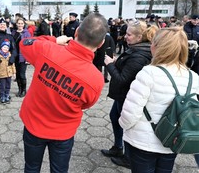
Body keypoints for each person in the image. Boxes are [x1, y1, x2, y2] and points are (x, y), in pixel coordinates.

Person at [19, 13, 108, 172]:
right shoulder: (96, 79)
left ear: (76, 32)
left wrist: (54, 40)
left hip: (33, 124)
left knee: (31, 167)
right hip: (63, 133)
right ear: (101, 43)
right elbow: (86, 104)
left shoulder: (47, 49)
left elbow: (25, 43)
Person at [119, 27, 199, 173]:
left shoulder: (149, 73)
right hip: (172, 140)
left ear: (158, 47)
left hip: (142, 142)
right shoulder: (194, 77)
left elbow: (131, 111)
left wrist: (123, 125)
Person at [101, 20, 159, 168]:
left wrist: (110, 65)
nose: (125, 36)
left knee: (126, 124)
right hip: (123, 95)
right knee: (115, 117)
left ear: (140, 37)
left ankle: (128, 157)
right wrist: (117, 61)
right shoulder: (136, 48)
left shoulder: (139, 55)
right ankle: (118, 147)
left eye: (129, 34)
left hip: (128, 96)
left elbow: (122, 79)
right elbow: (127, 69)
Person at [0, 18, 17, 101]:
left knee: (7, 80)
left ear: (6, 26)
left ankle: (6, 94)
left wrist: (12, 58)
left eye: (4, 25)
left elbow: (14, 49)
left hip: (7, 61)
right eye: (1, 25)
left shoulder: (10, 37)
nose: (2, 26)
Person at [11, 17, 31, 97]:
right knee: (17, 75)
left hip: (23, 56)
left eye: (21, 23)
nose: (20, 25)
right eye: (18, 23)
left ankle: (24, 90)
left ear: (24, 24)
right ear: (16, 24)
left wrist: (28, 58)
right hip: (15, 56)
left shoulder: (26, 33)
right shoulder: (13, 33)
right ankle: (19, 90)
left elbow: (29, 46)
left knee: (22, 74)